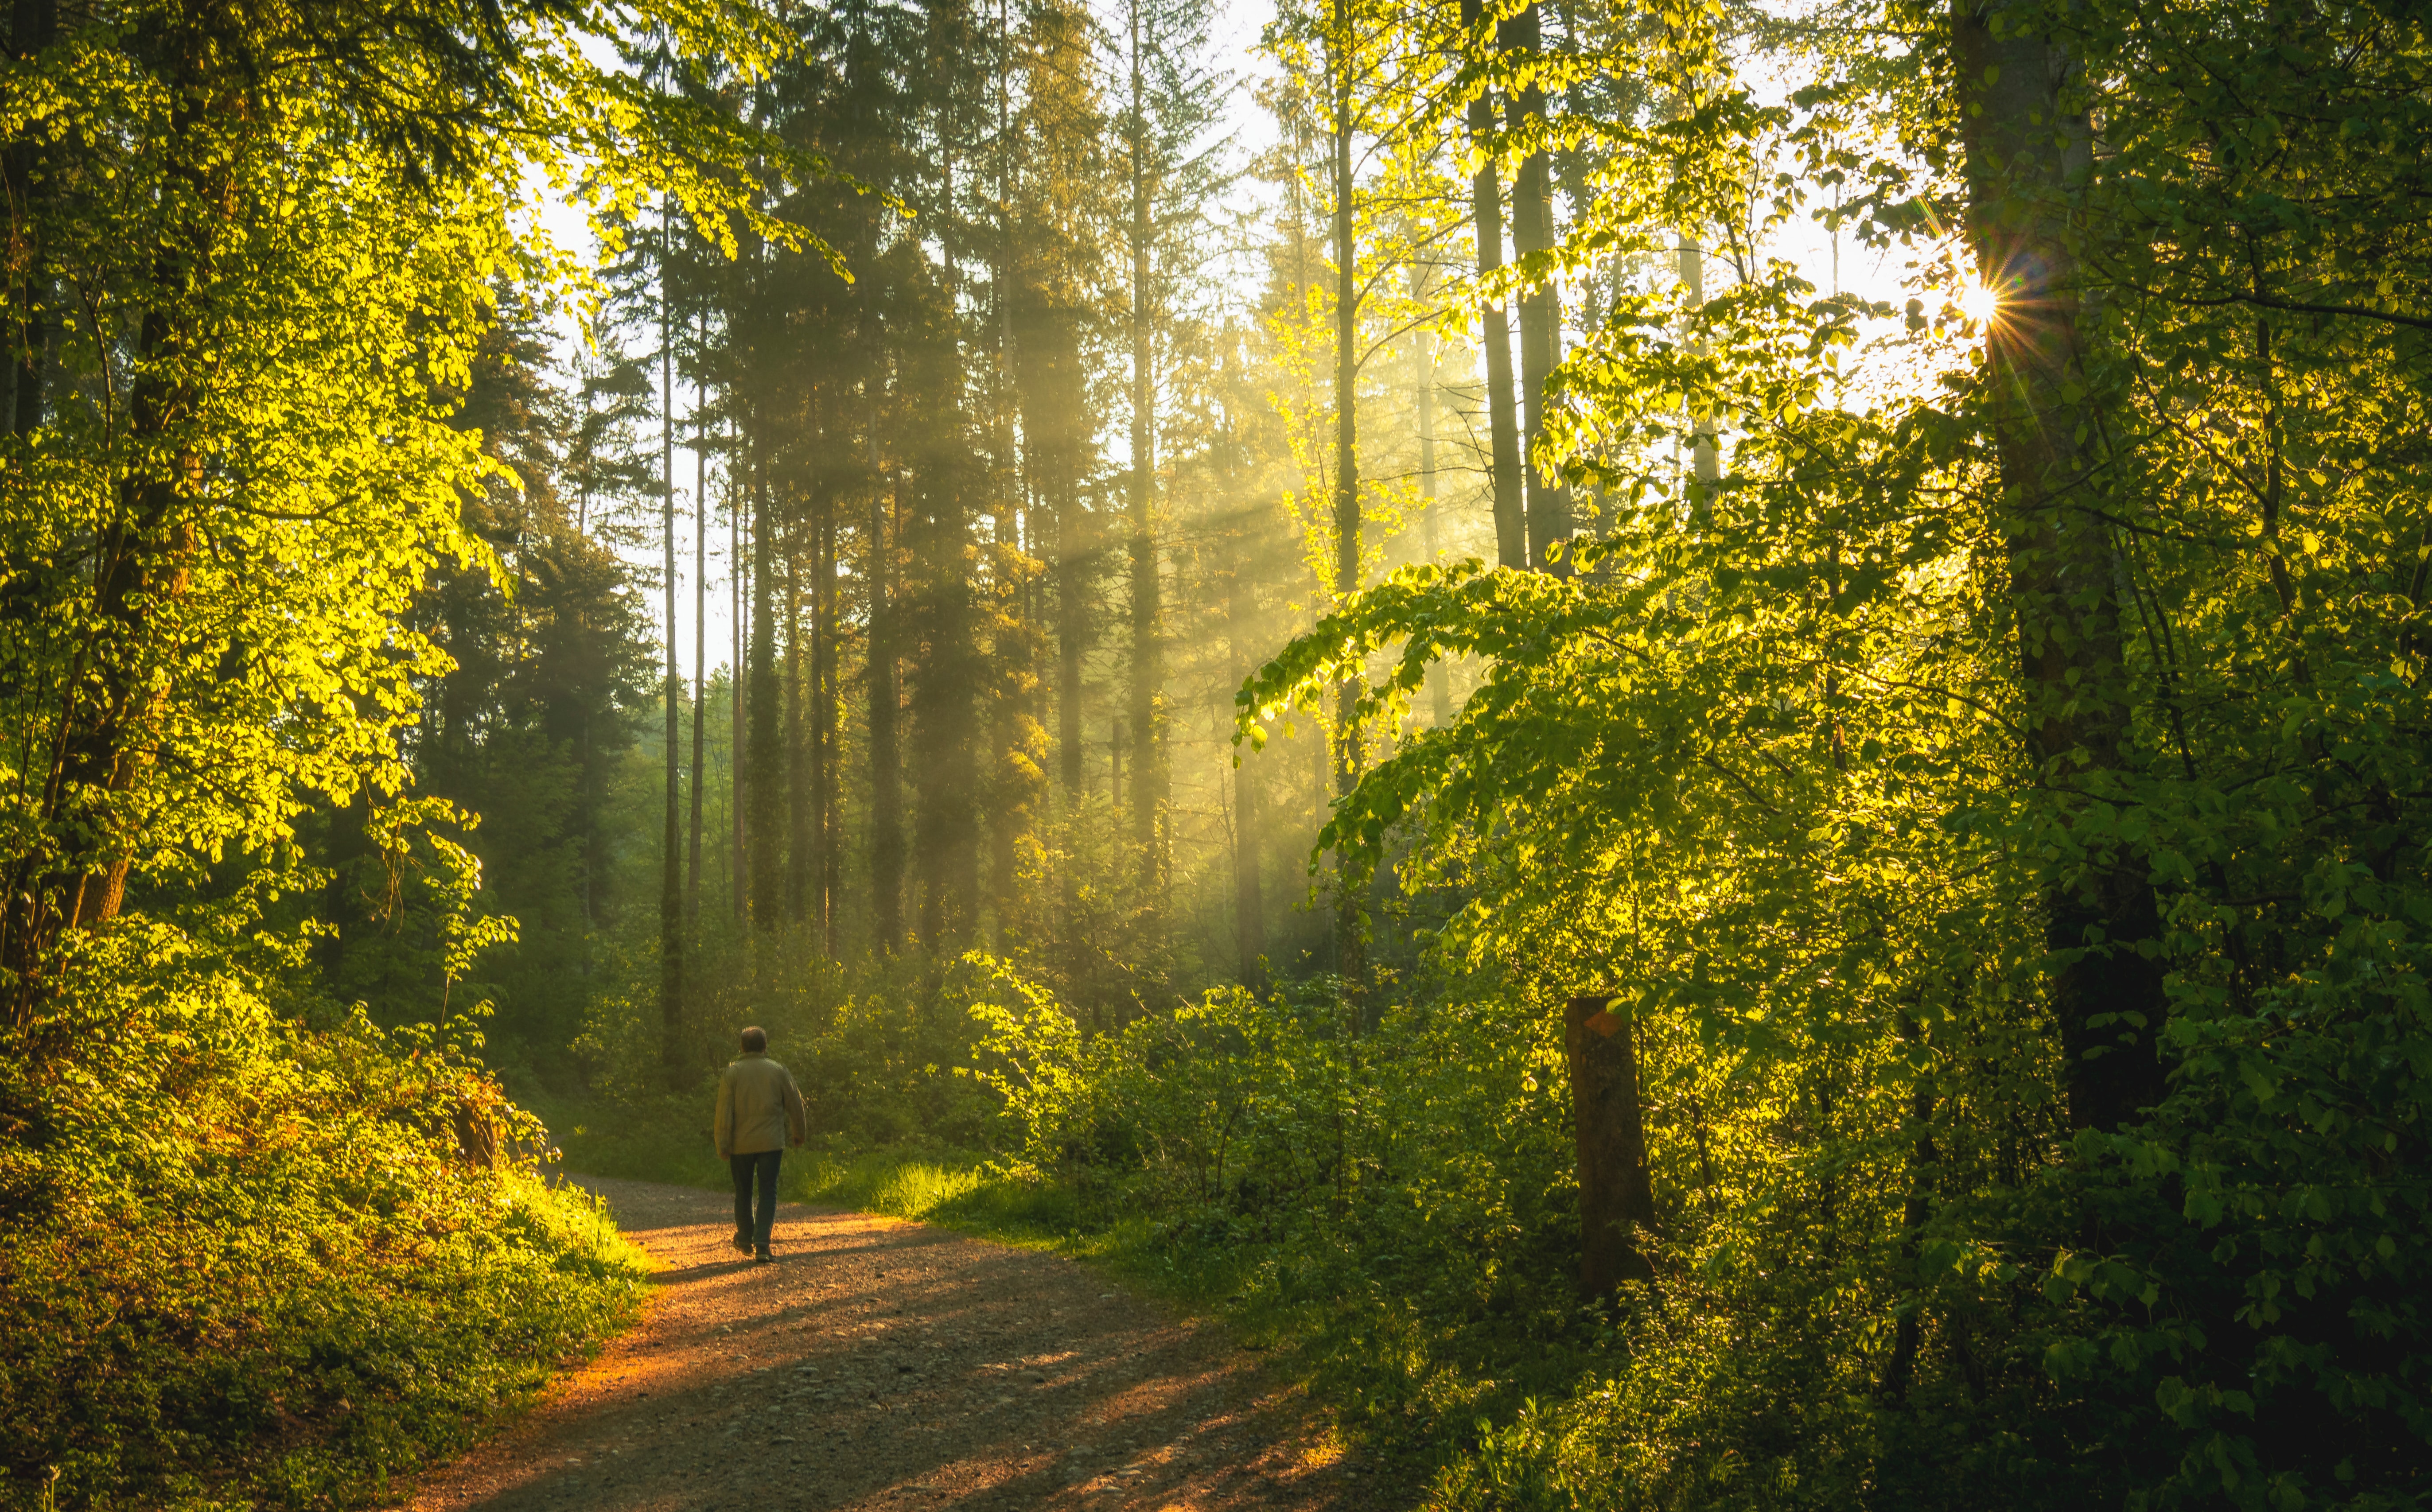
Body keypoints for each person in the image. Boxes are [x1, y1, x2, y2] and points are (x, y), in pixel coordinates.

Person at [712, 1026, 806, 1263]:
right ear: (765, 1046)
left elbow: (724, 1113)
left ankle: (745, 1238)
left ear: (742, 1047)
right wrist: (799, 1132)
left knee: (743, 1192)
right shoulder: (778, 1071)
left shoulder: (732, 1073)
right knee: (768, 1191)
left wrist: (722, 1143)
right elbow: (795, 1103)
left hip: (740, 1145)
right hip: (771, 1143)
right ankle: (763, 1246)